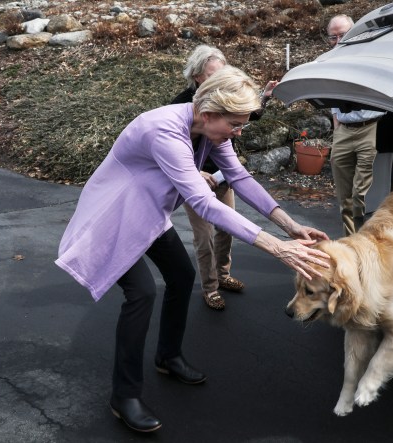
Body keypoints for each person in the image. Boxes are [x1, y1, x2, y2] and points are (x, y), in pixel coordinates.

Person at [55, 65, 330, 433]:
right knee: (141, 293)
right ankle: (124, 395)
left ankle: (167, 357)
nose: (238, 132)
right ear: (208, 113)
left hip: (149, 212)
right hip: (115, 216)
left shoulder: (212, 133)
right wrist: (277, 248)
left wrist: (291, 226)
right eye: (234, 124)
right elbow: (203, 203)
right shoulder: (163, 130)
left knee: (183, 276)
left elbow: (238, 177)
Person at [171, 44, 278, 310]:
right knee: (204, 236)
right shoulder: (179, 106)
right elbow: (171, 156)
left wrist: (263, 97)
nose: (220, 81)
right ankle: (210, 287)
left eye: (223, 74)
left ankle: (223, 274)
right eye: (212, 75)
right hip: (194, 182)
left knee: (227, 230)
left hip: (222, 177)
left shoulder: (226, 102)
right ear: (197, 76)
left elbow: (248, 115)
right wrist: (195, 173)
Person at [326, 14, 386, 236]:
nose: (339, 41)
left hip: (371, 126)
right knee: (345, 198)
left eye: (344, 35)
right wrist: (336, 130)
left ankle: (368, 238)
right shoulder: (329, 61)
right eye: (334, 37)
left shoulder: (372, 56)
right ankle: (352, 243)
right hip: (343, 129)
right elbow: (330, 100)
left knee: (362, 194)